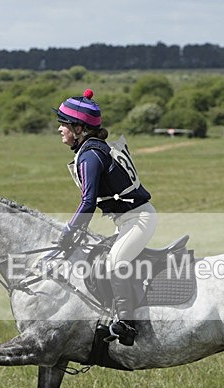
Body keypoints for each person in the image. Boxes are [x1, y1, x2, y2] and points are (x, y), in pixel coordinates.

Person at [53, 89, 157, 346]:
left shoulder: (90, 155)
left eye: (64, 124)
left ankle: (127, 324)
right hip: (128, 220)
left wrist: (69, 231)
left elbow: (87, 202)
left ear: (78, 128)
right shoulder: (93, 149)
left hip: (138, 220)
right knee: (99, 259)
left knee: (115, 262)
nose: (60, 129)